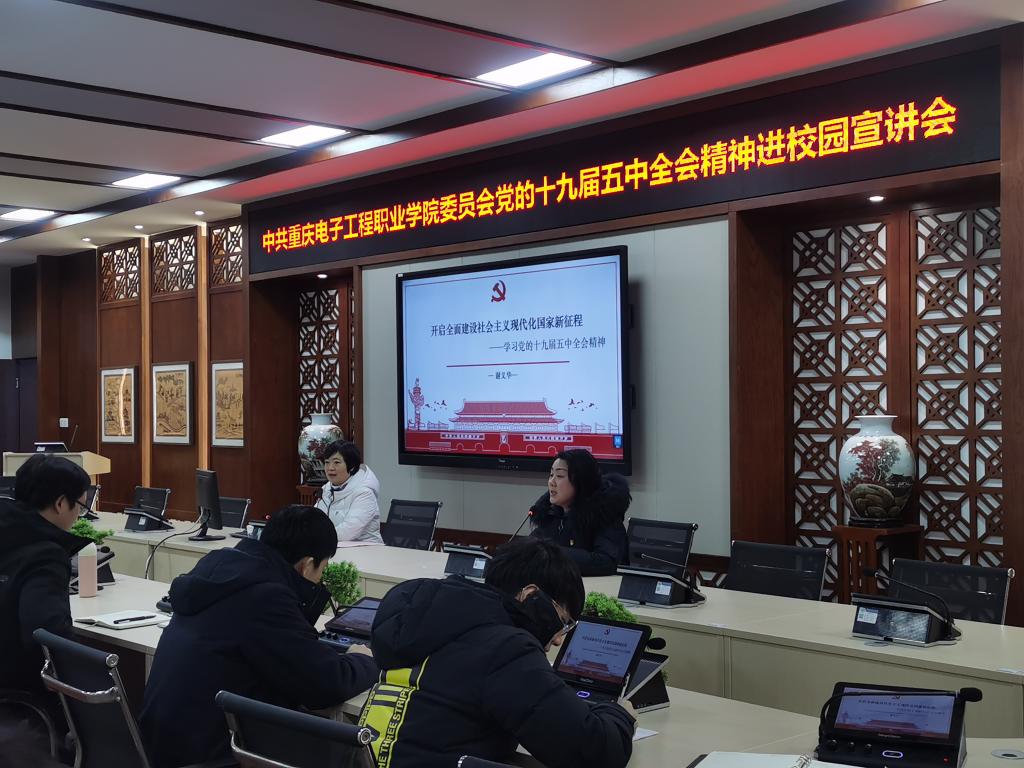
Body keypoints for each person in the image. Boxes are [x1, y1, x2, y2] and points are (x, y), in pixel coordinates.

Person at [359, 538, 636, 768]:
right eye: (562, 622)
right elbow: (595, 752)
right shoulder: (507, 649)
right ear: (529, 595)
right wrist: (619, 714)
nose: (557, 639)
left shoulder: (425, 618)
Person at [139, 505, 379, 768]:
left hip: (164, 747)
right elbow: (327, 684)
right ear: (308, 564)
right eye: (322, 568)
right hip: (215, 756)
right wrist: (363, 659)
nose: (320, 578)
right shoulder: (265, 596)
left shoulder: (221, 573)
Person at [0, 455, 91, 730]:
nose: (78, 516)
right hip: (20, 704)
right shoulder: (45, 554)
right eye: (81, 507)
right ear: (61, 503)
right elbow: (46, 630)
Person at [529, 449, 631, 576]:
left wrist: (552, 553)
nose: (552, 482)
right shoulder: (550, 514)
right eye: (551, 475)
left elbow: (607, 562)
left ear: (580, 481)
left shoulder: (603, 515)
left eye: (559, 476)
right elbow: (532, 548)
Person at [315, 440, 383, 543]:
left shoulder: (364, 493)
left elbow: (348, 532)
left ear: (351, 467)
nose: (330, 468)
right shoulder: (326, 489)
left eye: (336, 462)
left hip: (366, 548)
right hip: (333, 546)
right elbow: (313, 520)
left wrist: (315, 538)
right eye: (327, 462)